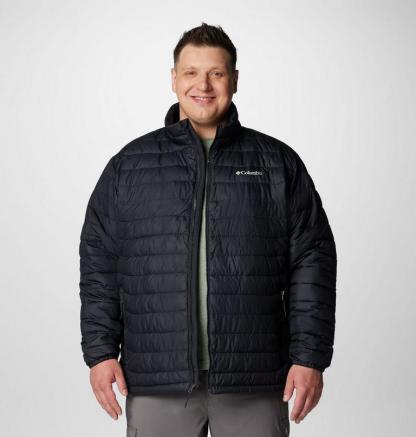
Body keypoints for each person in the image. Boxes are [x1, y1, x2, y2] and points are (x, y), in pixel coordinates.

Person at [79, 22, 337, 437]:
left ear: (234, 79)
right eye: (191, 72)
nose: (203, 85)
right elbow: (99, 264)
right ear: (173, 79)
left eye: (216, 73)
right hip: (156, 379)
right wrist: (100, 352)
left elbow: (312, 264)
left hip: (255, 378)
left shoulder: (276, 163)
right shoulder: (129, 166)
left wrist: (310, 357)